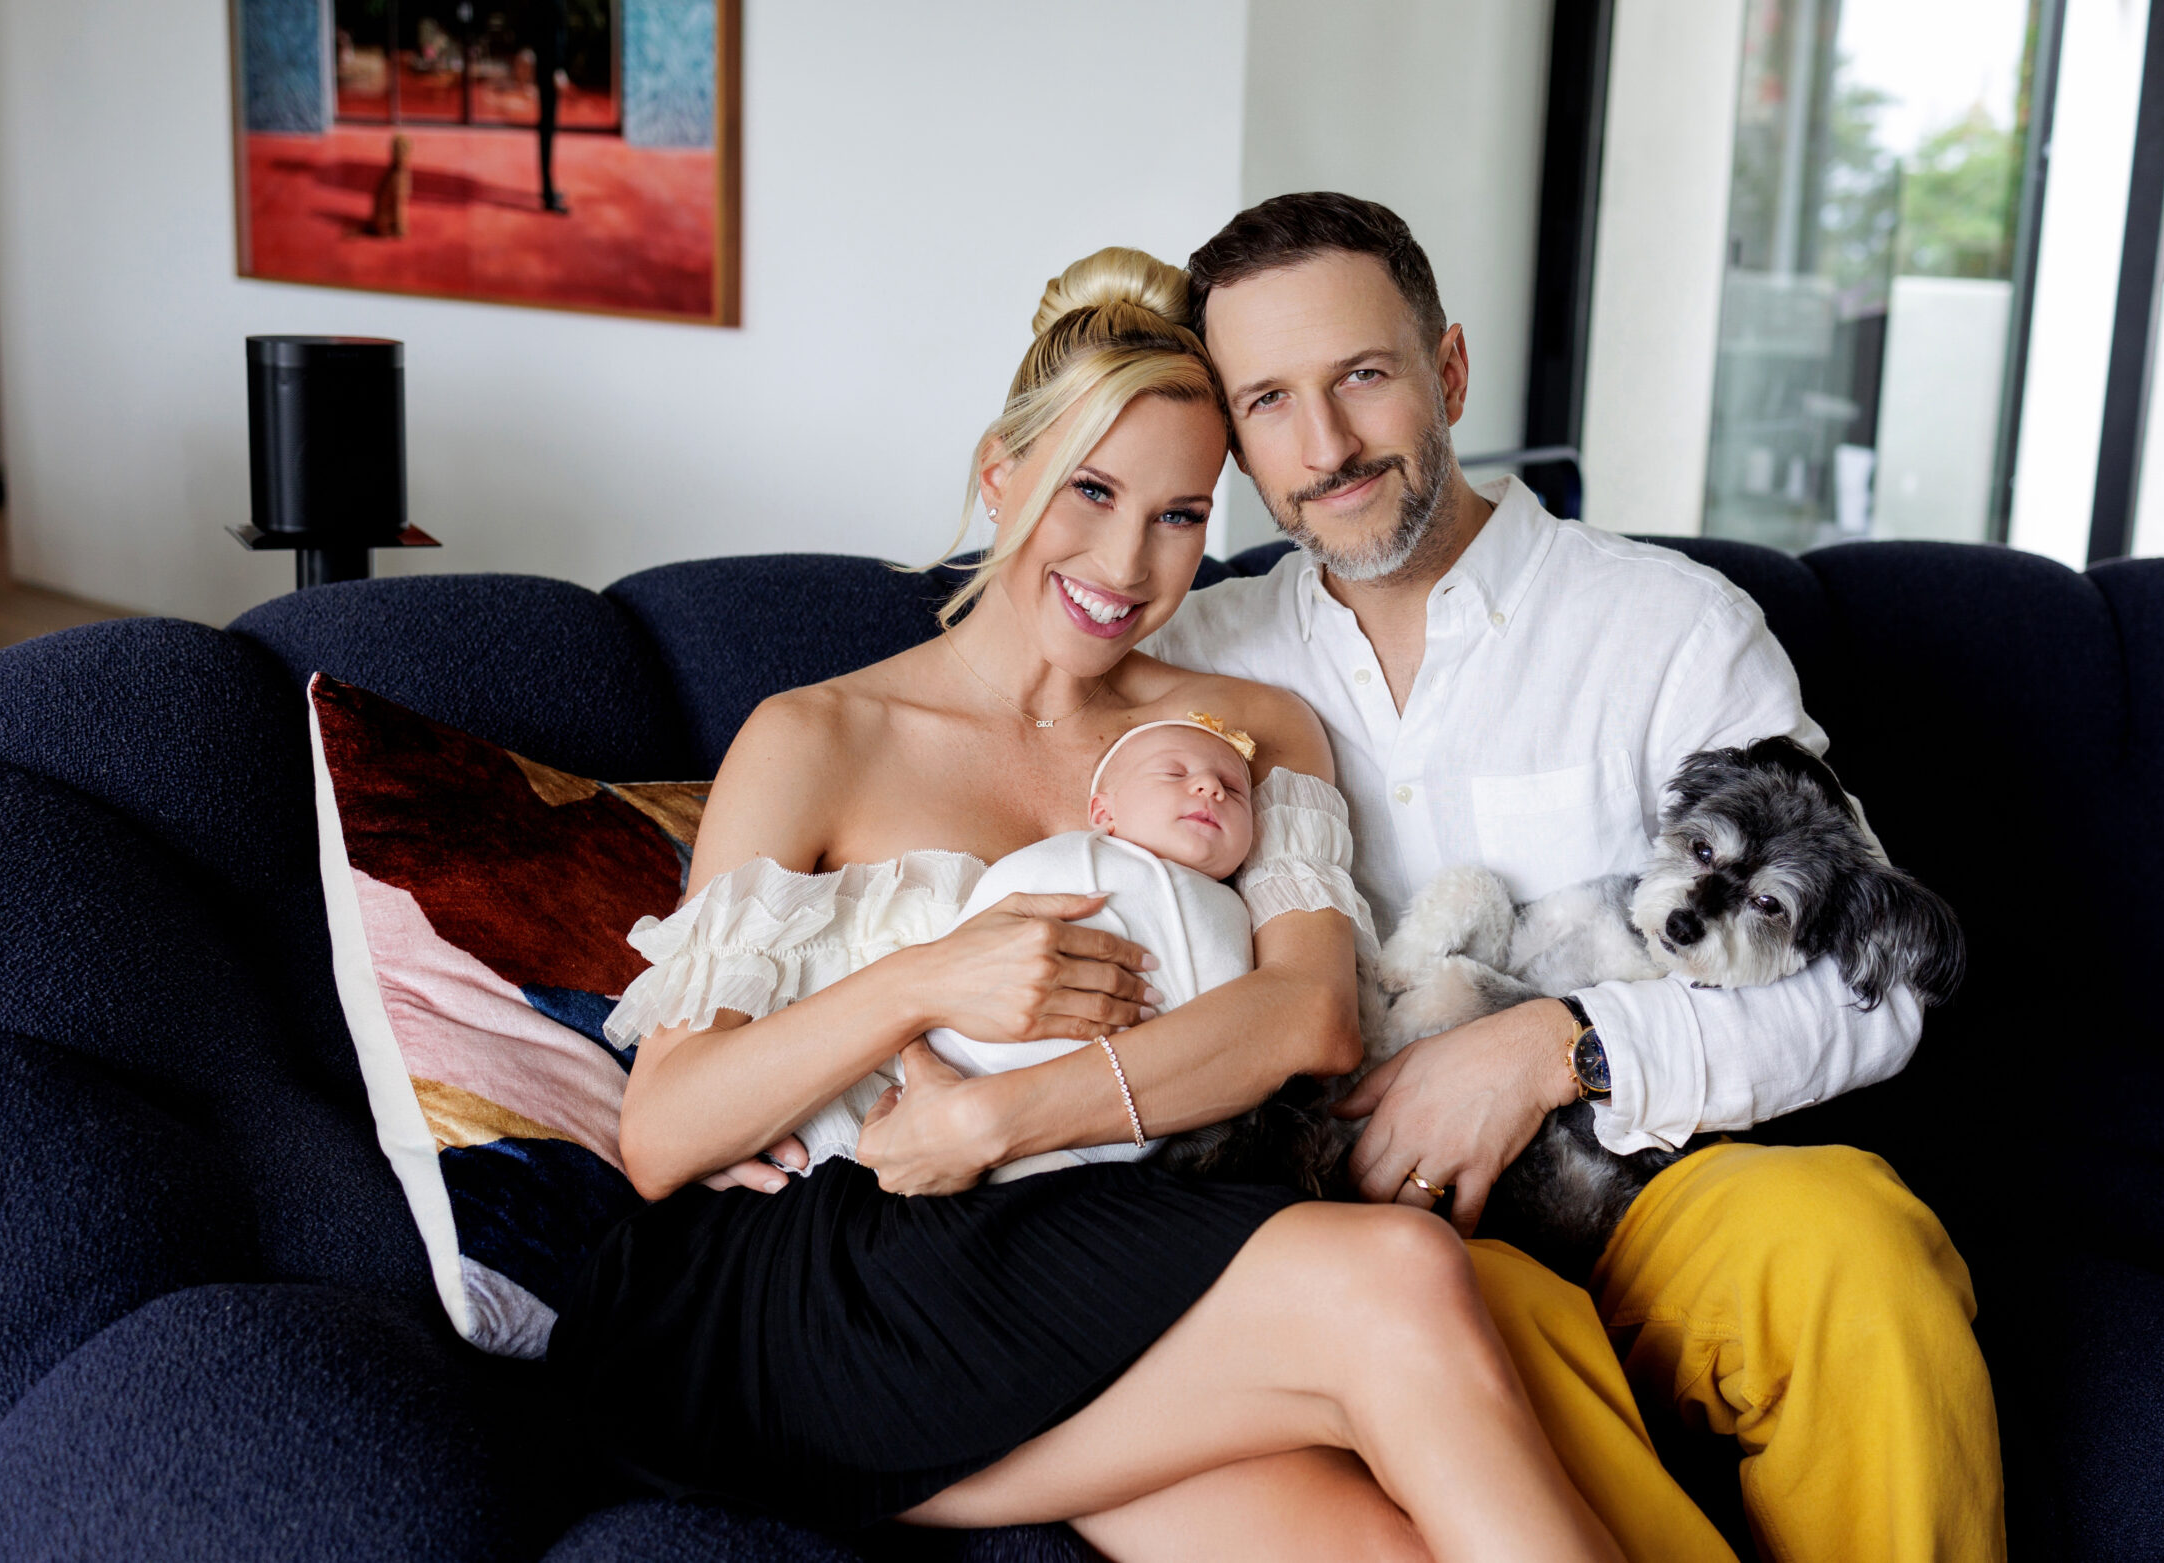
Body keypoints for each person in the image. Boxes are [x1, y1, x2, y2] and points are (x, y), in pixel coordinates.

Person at [549, 247, 1627, 1563]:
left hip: (1086, 1237)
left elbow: (1311, 1017)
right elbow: (664, 1129)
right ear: (1002, 476)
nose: (1127, 561)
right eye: (1091, 490)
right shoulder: (821, 736)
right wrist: (926, 981)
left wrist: (999, 1112)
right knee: (1394, 1275)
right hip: (819, 1278)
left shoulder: (1245, 732)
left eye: (1181, 513)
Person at [1140, 193, 2008, 1563]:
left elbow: (1869, 984)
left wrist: (1565, 1045)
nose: (1326, 447)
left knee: (1858, 1248)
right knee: (1443, 1315)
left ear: (1451, 371)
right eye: (1270, 402)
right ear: (1235, 438)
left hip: (1656, 1187)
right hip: (1364, 1232)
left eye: (1363, 375)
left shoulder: (1673, 627)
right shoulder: (1192, 648)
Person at [924, 714, 1313, 1182]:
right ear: (1104, 813)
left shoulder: (1230, 911)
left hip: (1110, 1121)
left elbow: (1233, 1024)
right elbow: (978, 930)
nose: (1211, 787)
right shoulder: (1061, 857)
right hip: (967, 1060)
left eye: (1234, 791)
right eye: (1175, 773)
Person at [526, 0, 571, 215]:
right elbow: (546, 29)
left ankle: (549, 187)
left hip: (550, 64)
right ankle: (547, 194)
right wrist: (556, 68)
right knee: (547, 128)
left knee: (550, 127)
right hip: (548, 66)